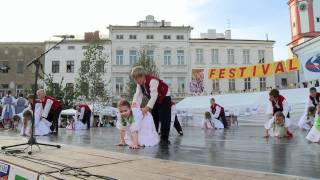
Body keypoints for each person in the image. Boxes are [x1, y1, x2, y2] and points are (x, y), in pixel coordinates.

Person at [131, 66, 171, 146]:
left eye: (136, 78)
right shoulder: (140, 84)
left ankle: (164, 139)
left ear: (142, 76)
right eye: (134, 79)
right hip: (155, 99)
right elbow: (137, 95)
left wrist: (147, 107)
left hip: (164, 97)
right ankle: (153, 136)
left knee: (164, 118)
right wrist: (134, 105)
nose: (135, 81)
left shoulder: (152, 80)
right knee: (154, 117)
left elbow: (154, 96)